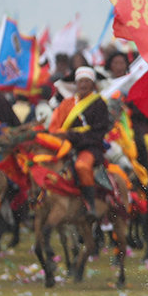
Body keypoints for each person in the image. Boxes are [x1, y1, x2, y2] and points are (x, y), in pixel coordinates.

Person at [48, 66, 112, 219]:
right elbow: (56, 126)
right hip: (64, 145)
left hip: (88, 146)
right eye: (80, 82)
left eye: (86, 81)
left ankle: (90, 205)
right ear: (76, 84)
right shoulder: (67, 103)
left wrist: (74, 136)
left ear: (92, 84)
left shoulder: (99, 103)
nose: (83, 85)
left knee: (81, 166)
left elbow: (99, 131)